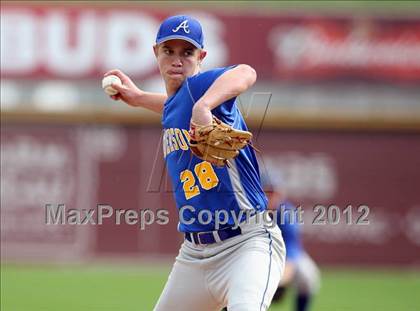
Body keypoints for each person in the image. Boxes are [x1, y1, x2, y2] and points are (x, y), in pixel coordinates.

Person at [104, 15, 285, 311]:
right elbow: (171, 105)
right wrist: (137, 98)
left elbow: (246, 72)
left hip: (246, 246)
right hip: (195, 255)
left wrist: (205, 106)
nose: (177, 60)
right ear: (156, 54)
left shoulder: (202, 88)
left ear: (201, 57)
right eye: (169, 51)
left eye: (187, 52)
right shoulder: (176, 103)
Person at [263, 174, 321, 311]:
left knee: (307, 275)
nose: (270, 197)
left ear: (280, 194)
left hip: (283, 257)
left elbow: (292, 249)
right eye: (267, 193)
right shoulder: (249, 209)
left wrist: (281, 280)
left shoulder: (285, 212)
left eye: (273, 193)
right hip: (252, 253)